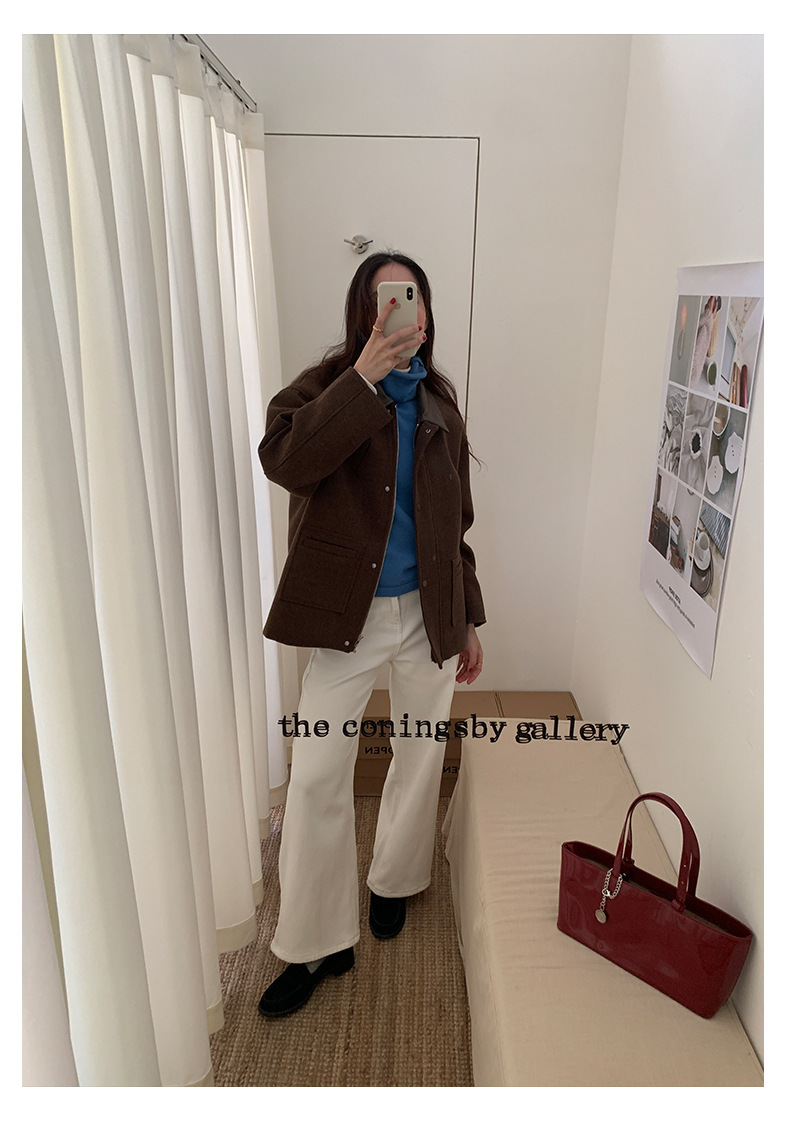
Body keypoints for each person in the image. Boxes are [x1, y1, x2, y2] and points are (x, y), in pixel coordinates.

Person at [256, 251, 485, 1017]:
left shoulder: (442, 406)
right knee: (317, 774)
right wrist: (361, 379)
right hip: (346, 620)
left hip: (429, 614)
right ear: (364, 311)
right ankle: (317, 939)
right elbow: (287, 461)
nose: (400, 310)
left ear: (425, 311)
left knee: (419, 755)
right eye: (386, 297)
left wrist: (468, 617)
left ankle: (394, 878)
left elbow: (456, 525)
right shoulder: (321, 389)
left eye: (411, 297)